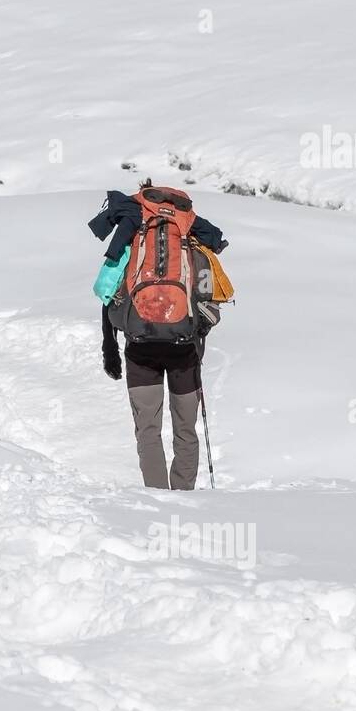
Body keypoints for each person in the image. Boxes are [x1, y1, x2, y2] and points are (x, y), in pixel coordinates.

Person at [89, 180, 227, 491]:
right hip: (184, 347)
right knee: (185, 429)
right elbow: (209, 296)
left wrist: (109, 348)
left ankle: (157, 500)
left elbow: (106, 293)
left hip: (140, 345)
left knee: (148, 429)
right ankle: (185, 497)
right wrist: (197, 331)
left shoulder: (133, 233)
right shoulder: (190, 233)